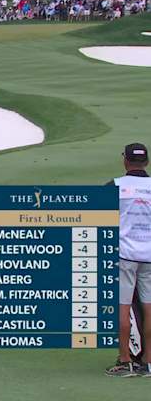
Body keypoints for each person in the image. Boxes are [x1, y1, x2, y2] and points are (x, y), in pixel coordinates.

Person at [105, 143, 151, 377]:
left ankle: (125, 362)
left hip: (125, 255)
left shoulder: (116, 186)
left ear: (125, 160)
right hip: (149, 256)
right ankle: (148, 361)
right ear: (147, 162)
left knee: (123, 308)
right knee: (149, 307)